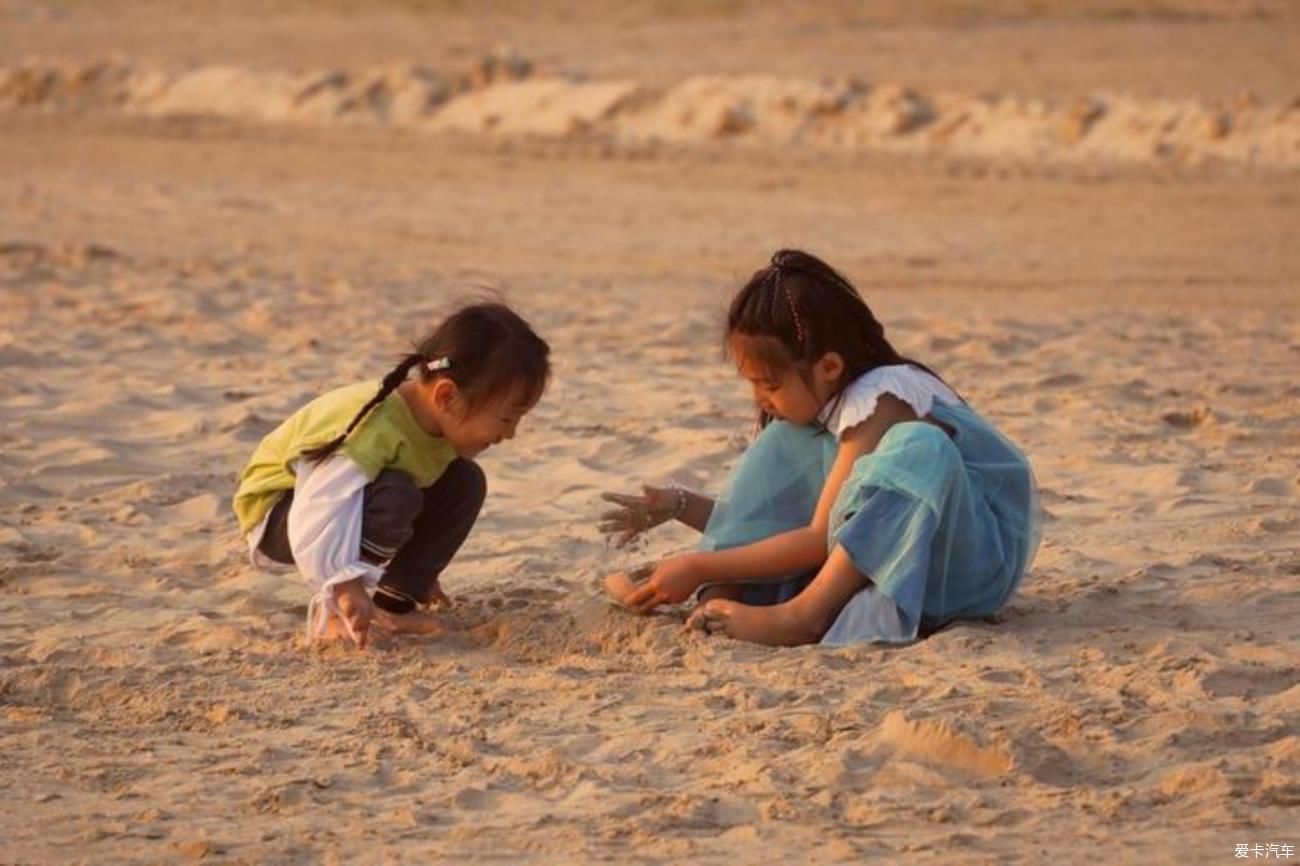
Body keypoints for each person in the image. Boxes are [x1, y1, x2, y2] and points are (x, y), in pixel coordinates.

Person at [601, 250, 1039, 646]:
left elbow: (818, 538)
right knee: (786, 438)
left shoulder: (882, 399)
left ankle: (803, 614)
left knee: (918, 444)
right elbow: (791, 520)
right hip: (906, 553)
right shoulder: (831, 411)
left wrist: (698, 566)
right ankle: (721, 594)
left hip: (969, 565)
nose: (759, 399)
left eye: (769, 384)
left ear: (830, 366)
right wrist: (680, 506)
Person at [233, 302, 550, 647]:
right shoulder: (372, 428)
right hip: (283, 514)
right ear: (448, 396)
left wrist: (418, 567)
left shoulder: (438, 423)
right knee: (396, 494)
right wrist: (343, 584)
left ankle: (393, 604)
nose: (511, 434)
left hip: (350, 503)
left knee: (465, 482)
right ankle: (336, 616)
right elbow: (318, 509)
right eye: (506, 419)